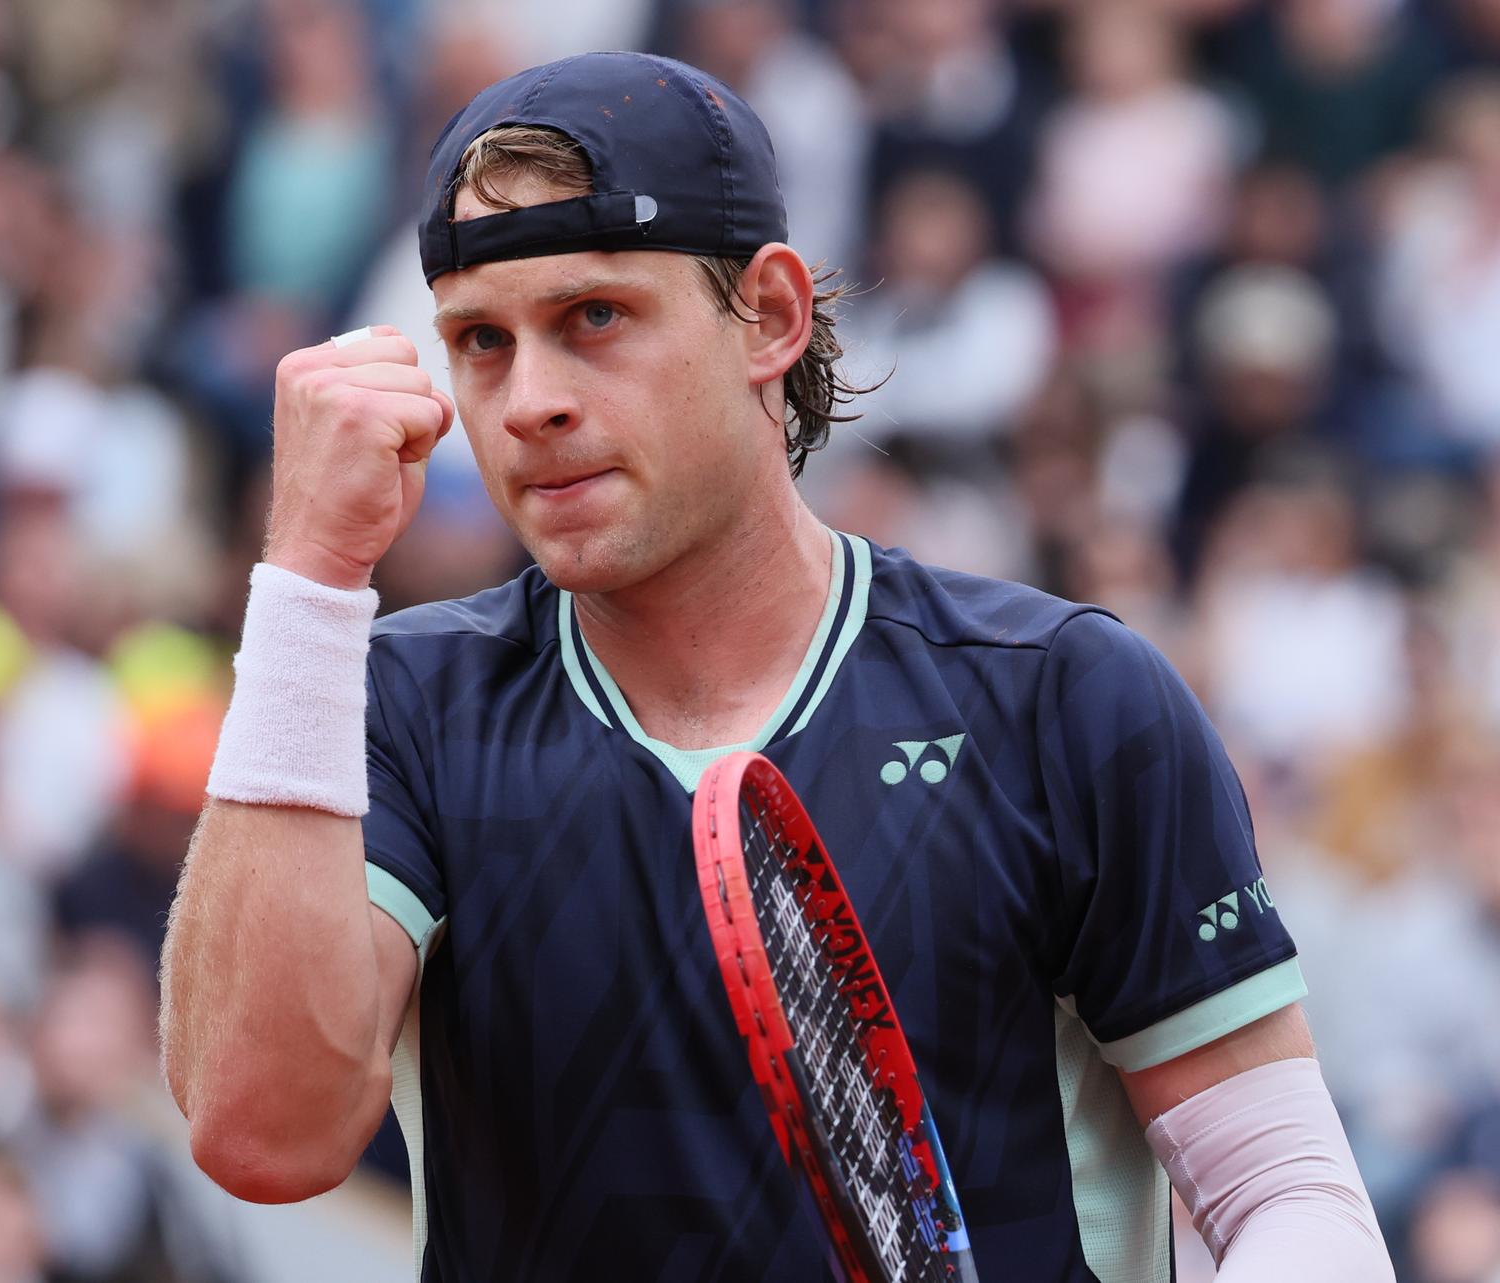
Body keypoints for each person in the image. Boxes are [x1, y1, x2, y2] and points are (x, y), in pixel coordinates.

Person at [161, 51, 1394, 1281]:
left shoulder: (1063, 696)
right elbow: (263, 1132)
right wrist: (310, 576)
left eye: (595, 317)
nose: (529, 400)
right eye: (482, 341)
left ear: (770, 315)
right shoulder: (393, 703)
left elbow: (1286, 1190)